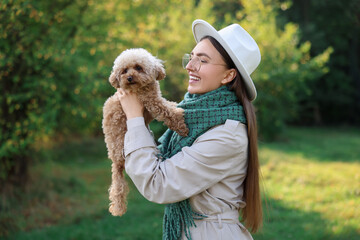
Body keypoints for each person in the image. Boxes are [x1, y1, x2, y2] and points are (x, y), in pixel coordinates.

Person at [117, 19, 262, 240]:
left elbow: (159, 184)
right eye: (191, 57)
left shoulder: (227, 134)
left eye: (202, 60)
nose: (189, 66)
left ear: (228, 75)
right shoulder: (192, 116)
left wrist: (135, 119)